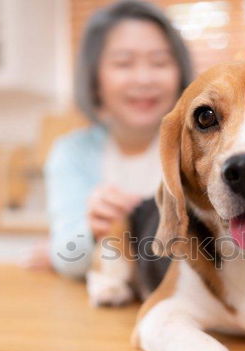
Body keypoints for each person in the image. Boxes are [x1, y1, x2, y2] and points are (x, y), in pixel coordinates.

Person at [41, 0, 192, 278]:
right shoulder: (72, 152)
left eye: (160, 62)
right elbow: (67, 257)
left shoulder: (199, 147)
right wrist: (89, 230)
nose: (144, 78)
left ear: (179, 72)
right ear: (94, 78)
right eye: (123, 63)